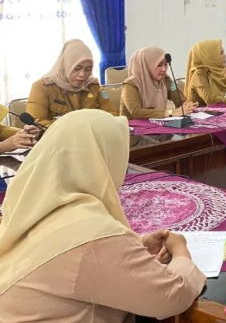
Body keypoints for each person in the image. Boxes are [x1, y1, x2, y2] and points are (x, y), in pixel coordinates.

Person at [0, 110, 206, 320]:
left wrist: (137, 244)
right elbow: (172, 298)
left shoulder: (25, 202)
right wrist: (179, 248)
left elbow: (62, 254)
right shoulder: (90, 233)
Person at [27, 39, 118, 128]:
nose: (82, 74)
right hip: (57, 137)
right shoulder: (42, 87)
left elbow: (112, 115)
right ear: (65, 65)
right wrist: (72, 129)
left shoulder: (94, 86)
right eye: (77, 68)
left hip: (90, 135)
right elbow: (36, 122)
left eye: (88, 69)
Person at [121, 47, 198, 119]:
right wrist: (171, 113)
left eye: (165, 64)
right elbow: (136, 112)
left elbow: (178, 98)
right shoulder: (130, 84)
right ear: (147, 66)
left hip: (158, 123)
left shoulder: (165, 79)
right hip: (132, 126)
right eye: (159, 65)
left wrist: (187, 105)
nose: (164, 69)